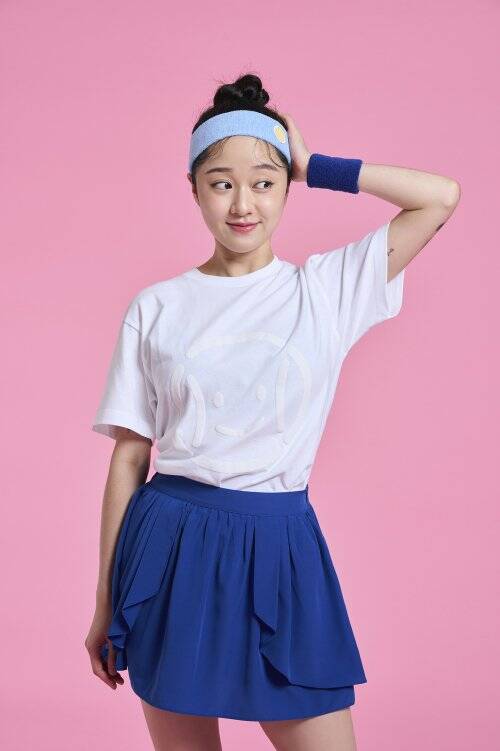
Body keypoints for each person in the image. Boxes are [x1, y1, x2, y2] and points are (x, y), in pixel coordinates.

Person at [85, 73, 460, 751]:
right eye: (221, 183)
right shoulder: (157, 307)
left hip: (279, 544)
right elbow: (130, 458)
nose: (242, 203)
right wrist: (105, 602)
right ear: (194, 188)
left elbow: (439, 197)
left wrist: (315, 164)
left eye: (264, 181)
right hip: (171, 544)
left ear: (287, 186)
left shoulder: (325, 291)